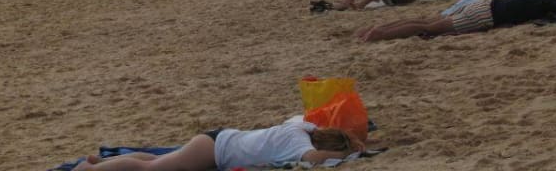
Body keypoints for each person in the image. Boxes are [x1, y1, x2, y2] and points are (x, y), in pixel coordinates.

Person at [72, 121, 362, 171]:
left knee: (158, 160)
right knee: (152, 168)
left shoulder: (300, 127)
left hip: (218, 140)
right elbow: (315, 157)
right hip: (213, 150)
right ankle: (90, 170)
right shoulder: (299, 144)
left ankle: (102, 163)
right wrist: (350, 152)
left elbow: (309, 120)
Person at [356, 0, 556, 42]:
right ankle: (379, 35)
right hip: (484, 16)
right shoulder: (549, 2)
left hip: (483, 4)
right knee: (427, 28)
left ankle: (378, 29)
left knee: (427, 22)